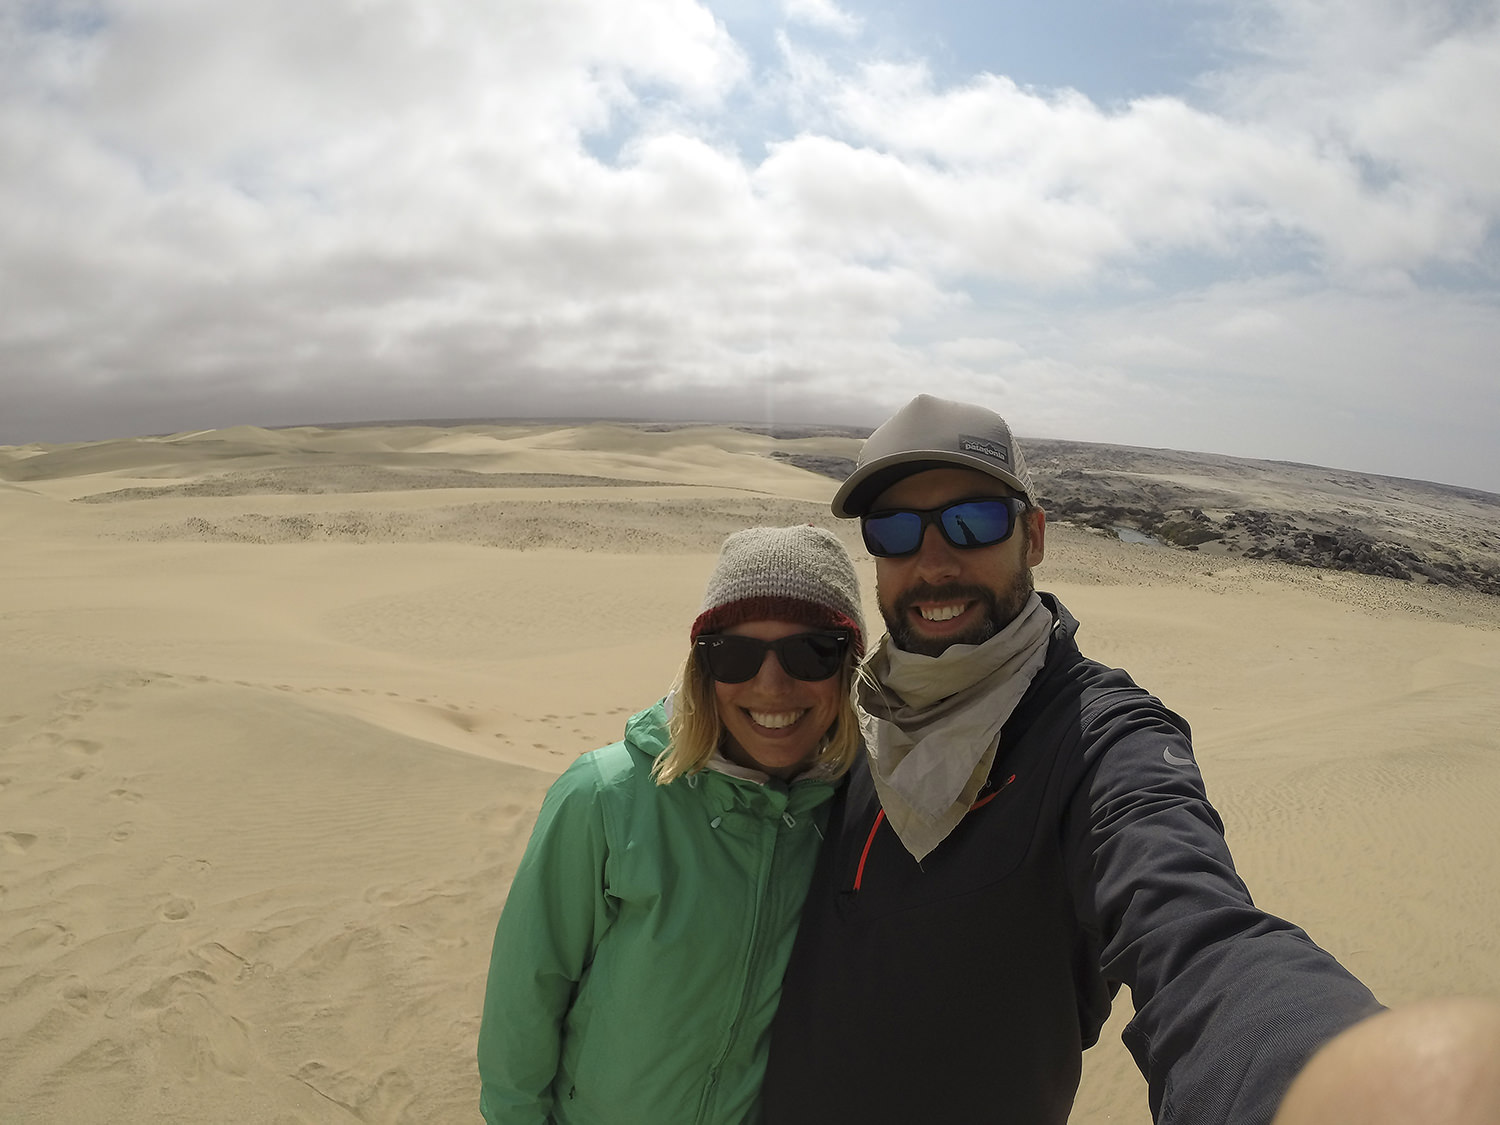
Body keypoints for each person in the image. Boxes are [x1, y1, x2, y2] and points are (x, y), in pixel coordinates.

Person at [760, 393, 1404, 1124]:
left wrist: (1330, 1085)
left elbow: (1193, 926)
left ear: (1033, 537)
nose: (933, 563)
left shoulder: (1097, 736)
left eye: (975, 521)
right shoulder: (841, 710)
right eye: (895, 530)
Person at [477, 524, 866, 1125]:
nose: (771, 686)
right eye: (734, 654)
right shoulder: (604, 796)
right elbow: (526, 994)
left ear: (849, 667)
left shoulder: (854, 816)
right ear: (701, 668)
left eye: (811, 652)